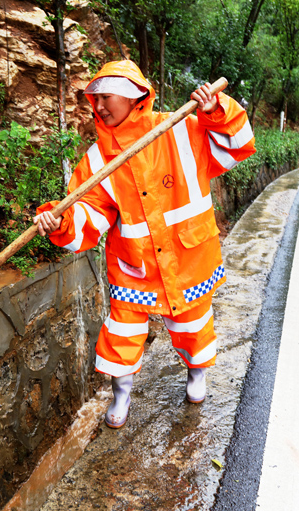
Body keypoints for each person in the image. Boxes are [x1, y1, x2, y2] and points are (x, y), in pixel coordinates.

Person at [34, 60, 256, 428]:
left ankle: (197, 374)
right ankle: (121, 395)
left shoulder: (182, 128)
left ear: (132, 95)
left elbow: (237, 146)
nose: (99, 105)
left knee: (193, 323)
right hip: (133, 267)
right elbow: (90, 216)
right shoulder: (96, 159)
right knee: (122, 334)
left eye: (106, 96)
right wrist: (60, 222)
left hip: (188, 259)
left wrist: (216, 111)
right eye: (96, 99)